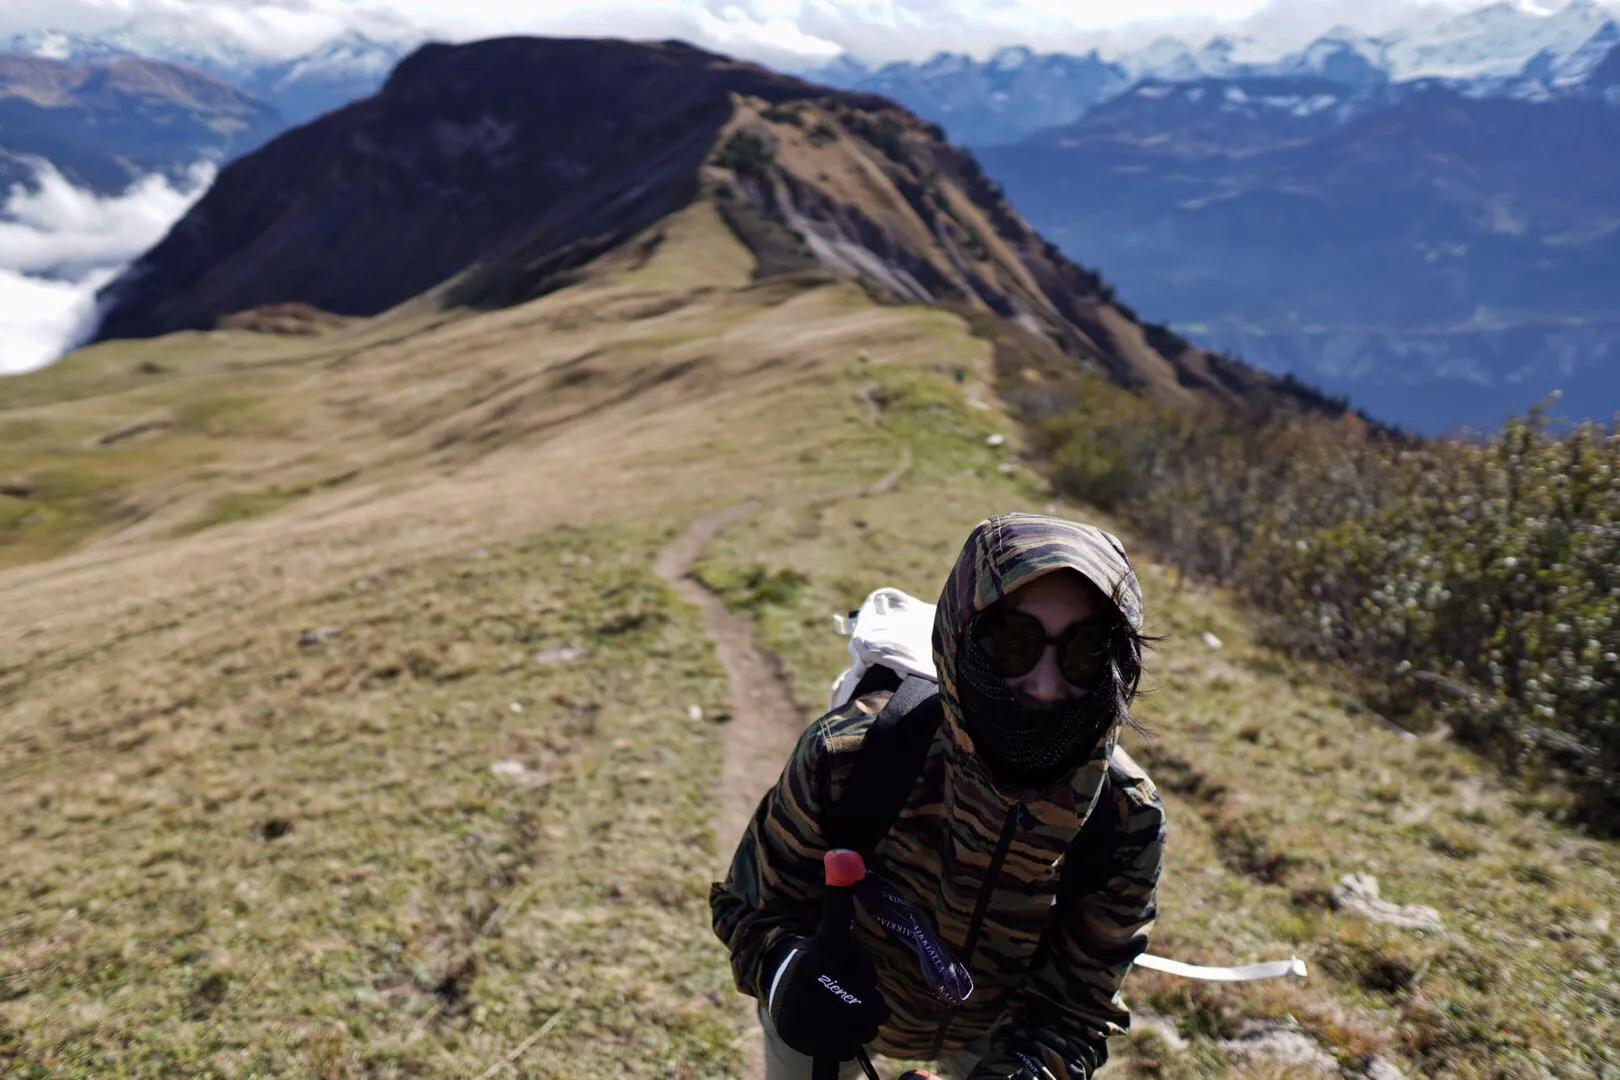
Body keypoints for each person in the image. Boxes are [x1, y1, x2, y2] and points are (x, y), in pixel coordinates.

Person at [711, 512, 1167, 1079]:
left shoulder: (1123, 817)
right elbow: (747, 905)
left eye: (1087, 650)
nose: (1047, 685)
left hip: (1001, 1034)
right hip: (829, 1016)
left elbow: (1077, 1005)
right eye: (1014, 643)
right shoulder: (849, 754)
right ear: (959, 635)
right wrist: (791, 976)